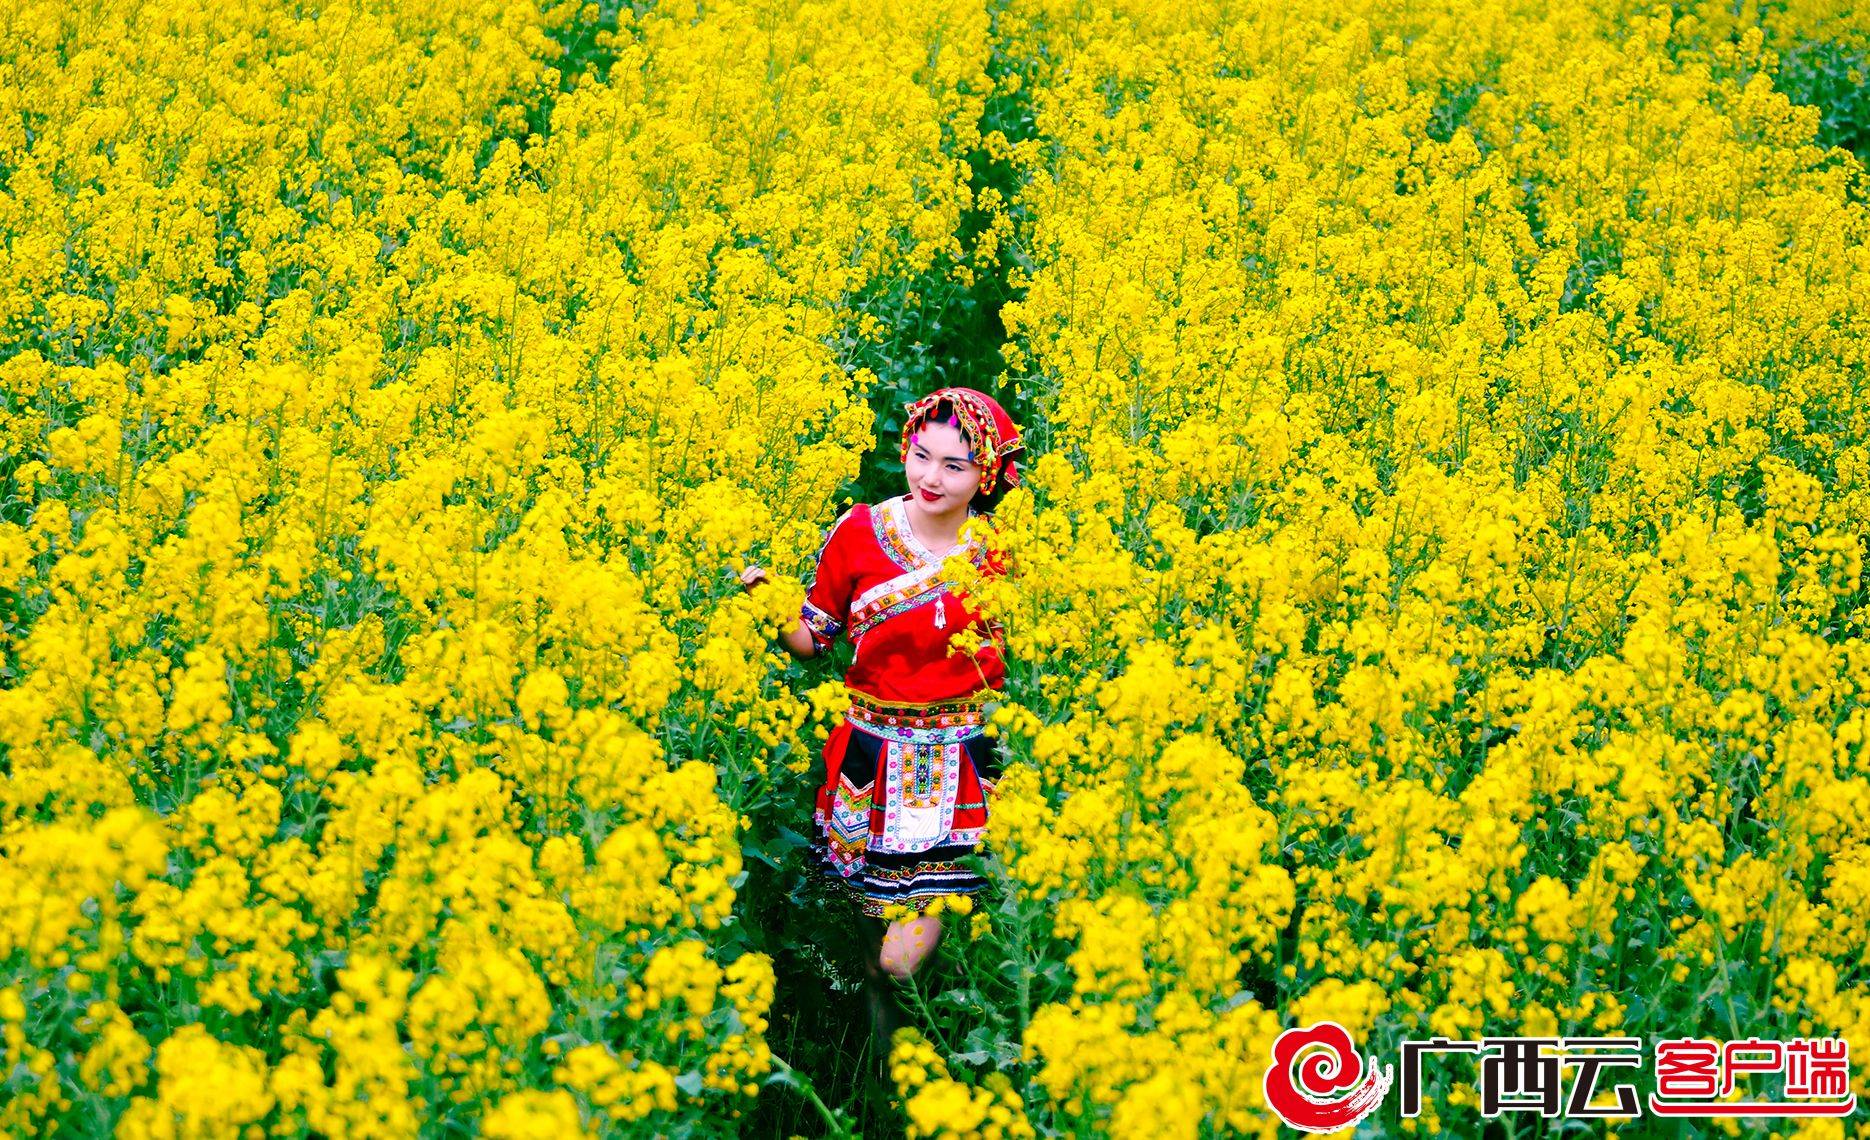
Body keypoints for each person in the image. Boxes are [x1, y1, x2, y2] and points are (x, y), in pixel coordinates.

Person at [739, 387, 1022, 999]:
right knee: (873, 963)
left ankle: (918, 1055)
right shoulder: (862, 532)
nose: (931, 477)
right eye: (921, 456)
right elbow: (816, 637)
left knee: (900, 961)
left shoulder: (1005, 552)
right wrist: (772, 604)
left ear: (987, 475)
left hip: (961, 766)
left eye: (955, 466)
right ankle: (887, 1077)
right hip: (869, 762)